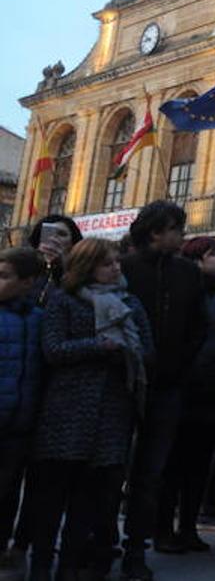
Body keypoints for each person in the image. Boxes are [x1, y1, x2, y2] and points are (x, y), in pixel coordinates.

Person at [27, 238, 151, 581]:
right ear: (86, 267)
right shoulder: (64, 300)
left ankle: (69, 567)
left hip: (112, 411)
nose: (116, 268)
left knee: (88, 500)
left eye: (117, 263)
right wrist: (99, 346)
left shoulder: (129, 303)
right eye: (107, 263)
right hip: (66, 410)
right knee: (51, 499)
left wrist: (128, 352)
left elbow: (147, 349)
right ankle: (40, 567)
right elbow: (53, 349)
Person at [118, 200, 206, 580]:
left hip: (168, 388)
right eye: (177, 229)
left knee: (150, 474)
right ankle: (99, 544)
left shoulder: (186, 272)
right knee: (109, 470)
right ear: (156, 231)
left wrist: (178, 364)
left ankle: (136, 551)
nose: (182, 236)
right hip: (121, 387)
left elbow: (199, 326)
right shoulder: (122, 270)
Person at [156, 236, 215, 554]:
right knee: (172, 464)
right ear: (198, 258)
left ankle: (188, 527)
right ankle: (162, 529)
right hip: (181, 385)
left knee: (199, 464)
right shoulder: (180, 289)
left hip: (213, 387)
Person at [0, 247, 44, 577]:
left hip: (20, 422)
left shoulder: (39, 319)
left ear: (29, 283)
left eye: (5, 277)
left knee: (8, 492)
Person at [25, 215, 81, 307]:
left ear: (72, 242)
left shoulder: (82, 271)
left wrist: (63, 266)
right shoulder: (22, 265)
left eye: (62, 234)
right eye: (49, 234)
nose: (54, 239)